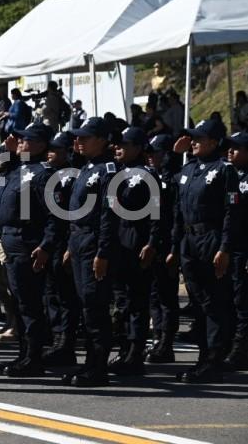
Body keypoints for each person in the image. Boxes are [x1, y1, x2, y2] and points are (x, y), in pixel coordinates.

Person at [169, 118, 237, 383]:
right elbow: (175, 206)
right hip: (189, 240)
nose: (193, 142)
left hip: (211, 239)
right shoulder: (188, 169)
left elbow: (232, 213)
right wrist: (175, 246)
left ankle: (213, 360)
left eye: (198, 138)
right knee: (199, 303)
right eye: (192, 138)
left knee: (214, 302)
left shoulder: (224, 170)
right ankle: (203, 358)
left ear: (213, 142)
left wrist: (225, 248)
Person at [0, 123, 58, 378]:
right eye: (18, 140)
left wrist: (46, 246)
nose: (19, 143)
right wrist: (7, 152)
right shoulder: (17, 169)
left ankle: (33, 357)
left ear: (41, 145)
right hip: (10, 240)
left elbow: (54, 216)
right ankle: (23, 354)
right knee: (18, 302)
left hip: (28, 243)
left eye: (25, 140)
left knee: (30, 304)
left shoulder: (43, 174)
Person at [63, 117, 119, 387]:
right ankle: (89, 364)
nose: (78, 142)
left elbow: (109, 216)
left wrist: (103, 253)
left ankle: (98, 368)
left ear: (101, 140)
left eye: (84, 138)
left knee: (95, 308)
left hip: (94, 243)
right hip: (80, 241)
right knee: (86, 307)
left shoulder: (108, 171)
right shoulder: (87, 167)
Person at [107, 127, 161, 377]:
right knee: (121, 302)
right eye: (117, 144)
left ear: (138, 148)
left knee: (137, 302)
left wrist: (151, 243)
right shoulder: (116, 173)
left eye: (125, 145)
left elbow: (157, 215)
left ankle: (135, 354)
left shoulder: (147, 176)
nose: (119, 148)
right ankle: (124, 349)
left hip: (137, 240)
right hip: (118, 240)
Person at [42, 131, 80, 366]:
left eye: (55, 149)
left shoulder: (72, 177)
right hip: (50, 242)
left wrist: (70, 246)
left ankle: (66, 343)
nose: (50, 153)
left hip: (66, 241)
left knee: (66, 296)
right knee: (51, 294)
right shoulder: (49, 174)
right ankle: (57, 340)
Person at [145, 134, 181, 364]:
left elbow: (177, 216)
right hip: (152, 243)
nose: (150, 156)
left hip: (167, 242)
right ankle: (157, 336)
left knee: (166, 296)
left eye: (155, 152)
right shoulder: (151, 177)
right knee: (154, 295)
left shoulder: (174, 179)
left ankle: (166, 341)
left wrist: (174, 249)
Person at [222, 132, 248, 371]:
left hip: (244, 249)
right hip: (231, 246)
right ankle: (230, 344)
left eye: (236, 148)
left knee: (242, 301)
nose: (230, 151)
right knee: (229, 298)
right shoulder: (229, 174)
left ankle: (241, 350)